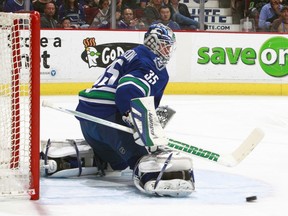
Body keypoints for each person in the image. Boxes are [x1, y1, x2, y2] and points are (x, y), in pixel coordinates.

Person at [75, 23, 195, 197]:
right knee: (143, 160)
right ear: (154, 42)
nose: (168, 50)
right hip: (109, 120)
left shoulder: (135, 53)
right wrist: (133, 116)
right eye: (165, 45)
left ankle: (100, 158)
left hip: (88, 119)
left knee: (118, 164)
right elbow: (127, 90)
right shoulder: (152, 63)